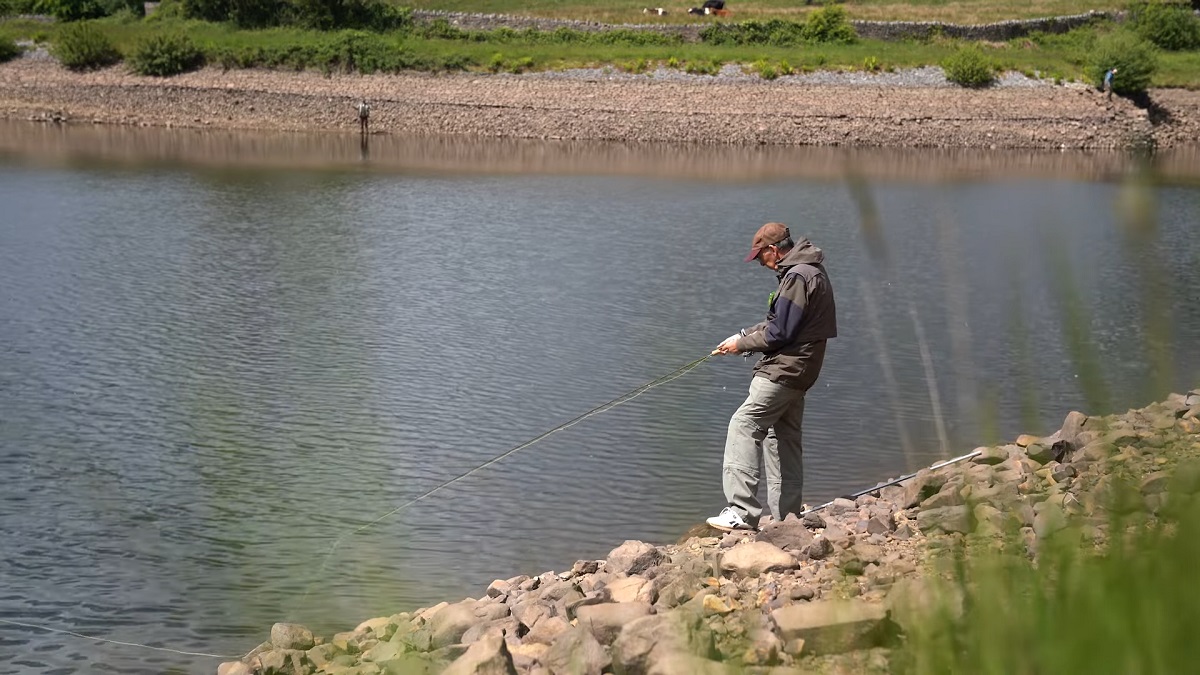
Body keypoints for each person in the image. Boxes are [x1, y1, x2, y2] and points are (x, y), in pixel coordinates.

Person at [706, 222, 837, 532]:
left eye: (759, 256)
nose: (759, 263)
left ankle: (742, 511)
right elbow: (779, 324)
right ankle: (788, 519)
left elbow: (779, 333)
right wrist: (741, 336)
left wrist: (741, 344)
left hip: (784, 370)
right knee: (782, 438)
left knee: (745, 423)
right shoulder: (810, 271)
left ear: (773, 250)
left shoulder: (796, 277)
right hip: (803, 371)